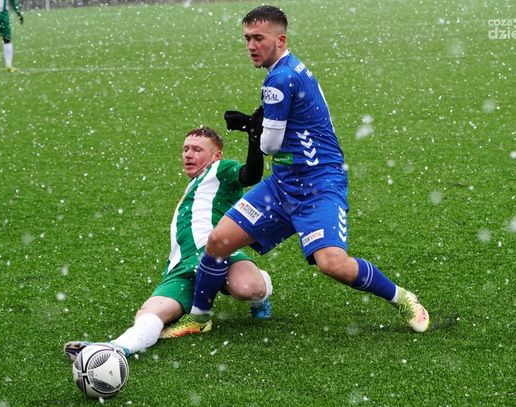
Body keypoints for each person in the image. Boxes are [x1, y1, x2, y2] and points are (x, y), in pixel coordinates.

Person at [165, 5, 429, 337]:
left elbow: (270, 145)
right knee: (218, 240)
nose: (251, 46)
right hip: (283, 184)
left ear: (280, 40)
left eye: (258, 38)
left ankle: (402, 298)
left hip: (318, 186)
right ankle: (199, 317)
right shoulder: (290, 69)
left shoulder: (280, 78)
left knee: (333, 264)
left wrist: (253, 130)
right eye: (247, 38)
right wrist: (256, 124)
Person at [64, 126, 272, 360]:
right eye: (185, 149)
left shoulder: (220, 169)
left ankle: (263, 287)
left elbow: (250, 175)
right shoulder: (194, 186)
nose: (188, 154)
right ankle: (112, 350)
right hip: (182, 266)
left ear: (217, 155)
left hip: (220, 253)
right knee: (150, 314)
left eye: (197, 150)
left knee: (250, 289)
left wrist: (254, 140)